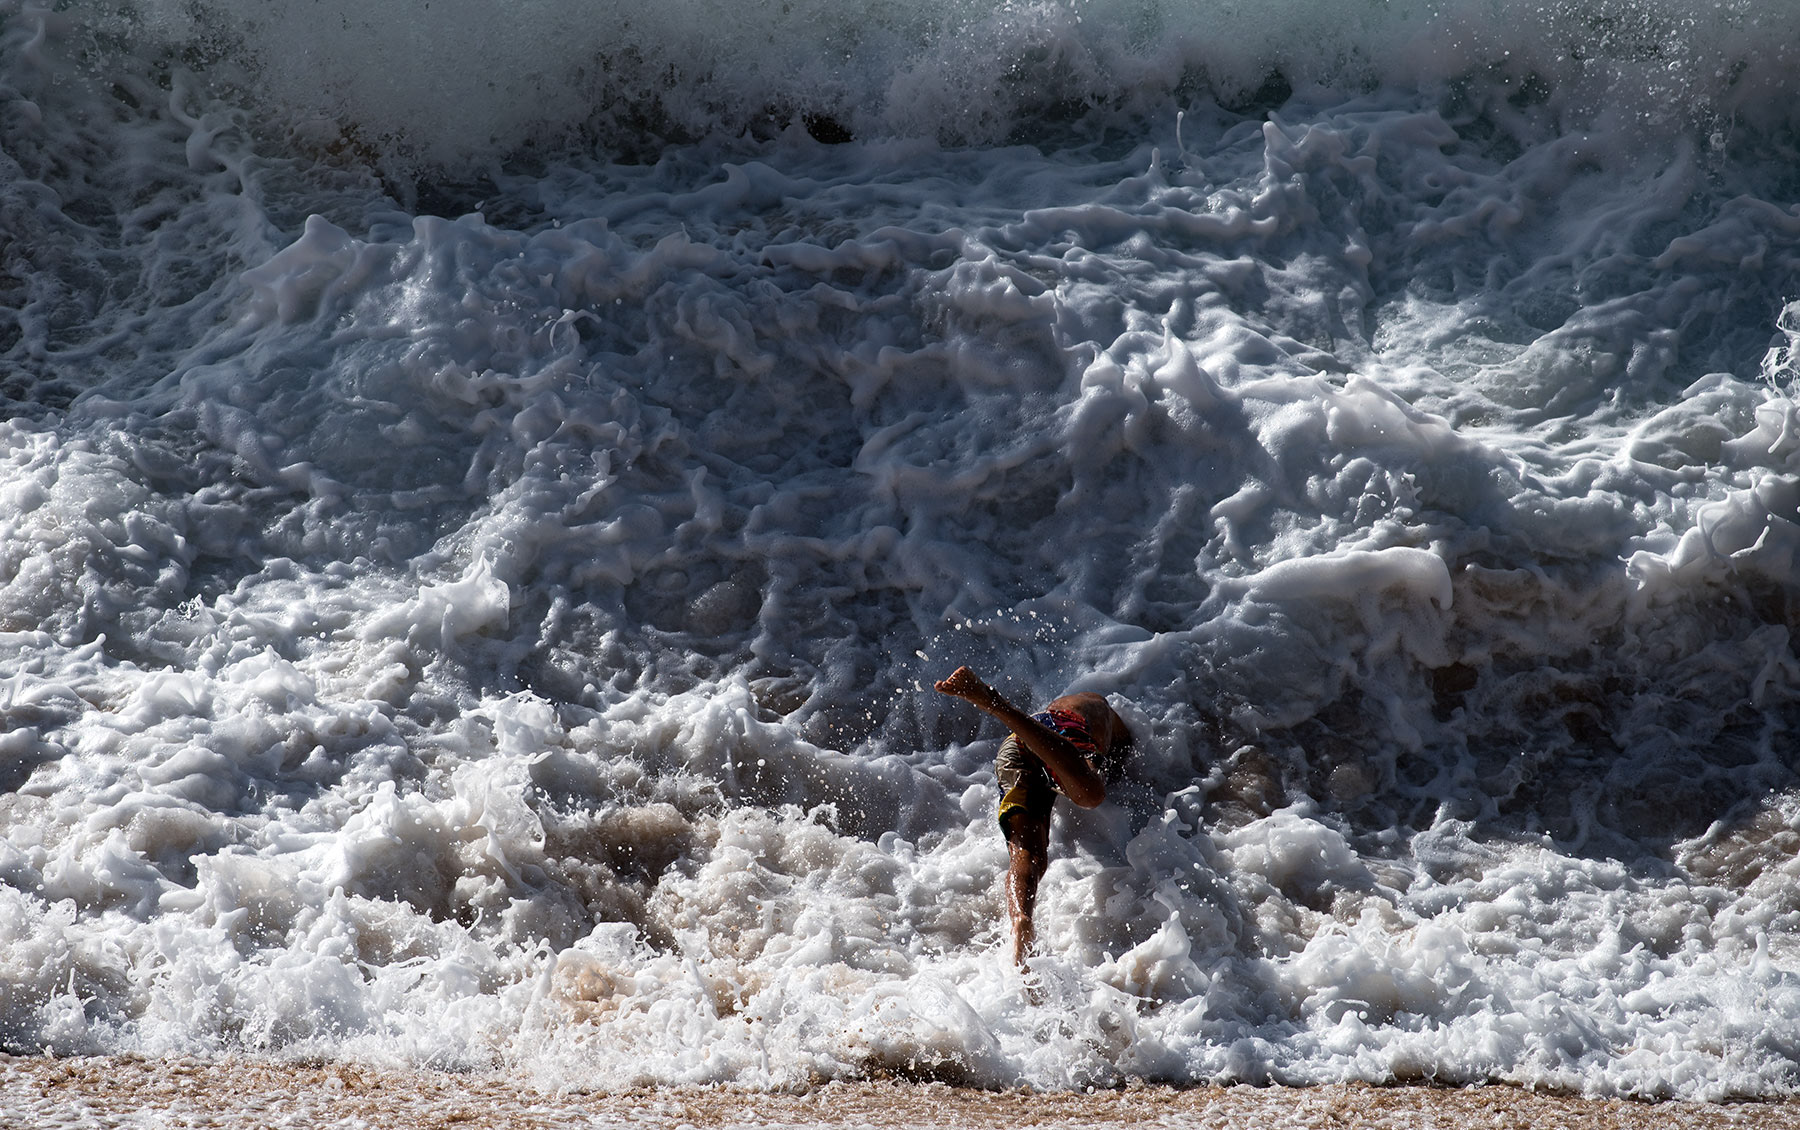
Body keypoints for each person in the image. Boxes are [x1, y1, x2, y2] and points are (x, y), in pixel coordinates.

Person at [933, 666, 1134, 968]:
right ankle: (994, 703)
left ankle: (1020, 921)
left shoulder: (1087, 708)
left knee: (1028, 853)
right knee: (1091, 794)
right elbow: (1102, 760)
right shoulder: (1101, 713)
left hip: (1018, 745)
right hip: (1058, 730)